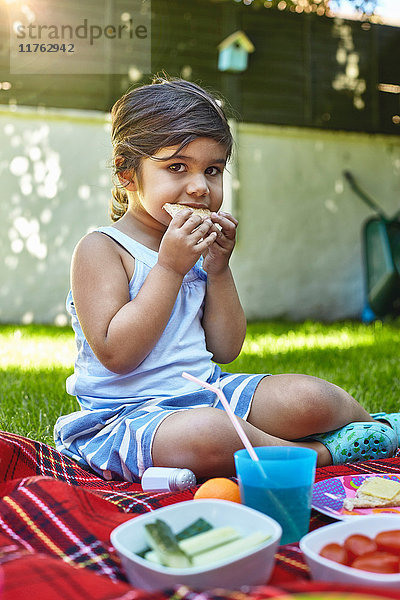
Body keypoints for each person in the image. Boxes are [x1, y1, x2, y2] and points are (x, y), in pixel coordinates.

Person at [54, 76, 399, 483]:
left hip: (210, 390)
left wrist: (218, 269)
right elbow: (117, 353)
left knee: (310, 397)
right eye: (177, 167)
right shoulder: (101, 250)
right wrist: (169, 269)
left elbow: (226, 347)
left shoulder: (194, 248)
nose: (200, 187)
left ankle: (378, 430)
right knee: (211, 433)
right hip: (128, 417)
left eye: (213, 170)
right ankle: (319, 453)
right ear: (127, 172)